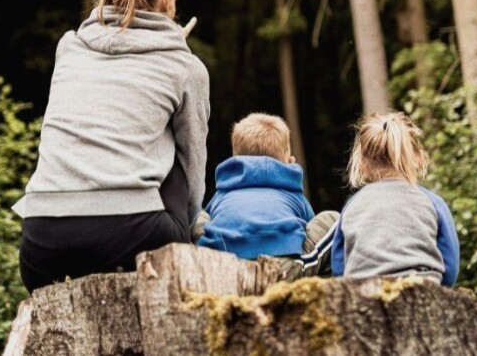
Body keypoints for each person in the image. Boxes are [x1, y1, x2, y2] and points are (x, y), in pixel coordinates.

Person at [12, 0, 210, 293]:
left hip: (41, 246)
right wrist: (193, 225)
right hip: (132, 237)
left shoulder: (70, 47)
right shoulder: (185, 66)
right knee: (174, 152)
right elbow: (192, 163)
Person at [197, 113, 338, 278]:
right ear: (290, 162)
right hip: (281, 270)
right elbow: (307, 231)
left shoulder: (224, 192)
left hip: (224, 267)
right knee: (333, 220)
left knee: (198, 215)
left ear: (235, 161)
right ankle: (320, 285)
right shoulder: (292, 191)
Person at [330, 111, 459, 287]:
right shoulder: (432, 202)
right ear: (418, 157)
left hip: (364, 299)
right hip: (422, 296)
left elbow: (339, 266)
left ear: (362, 163)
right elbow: (450, 267)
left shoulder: (353, 206)